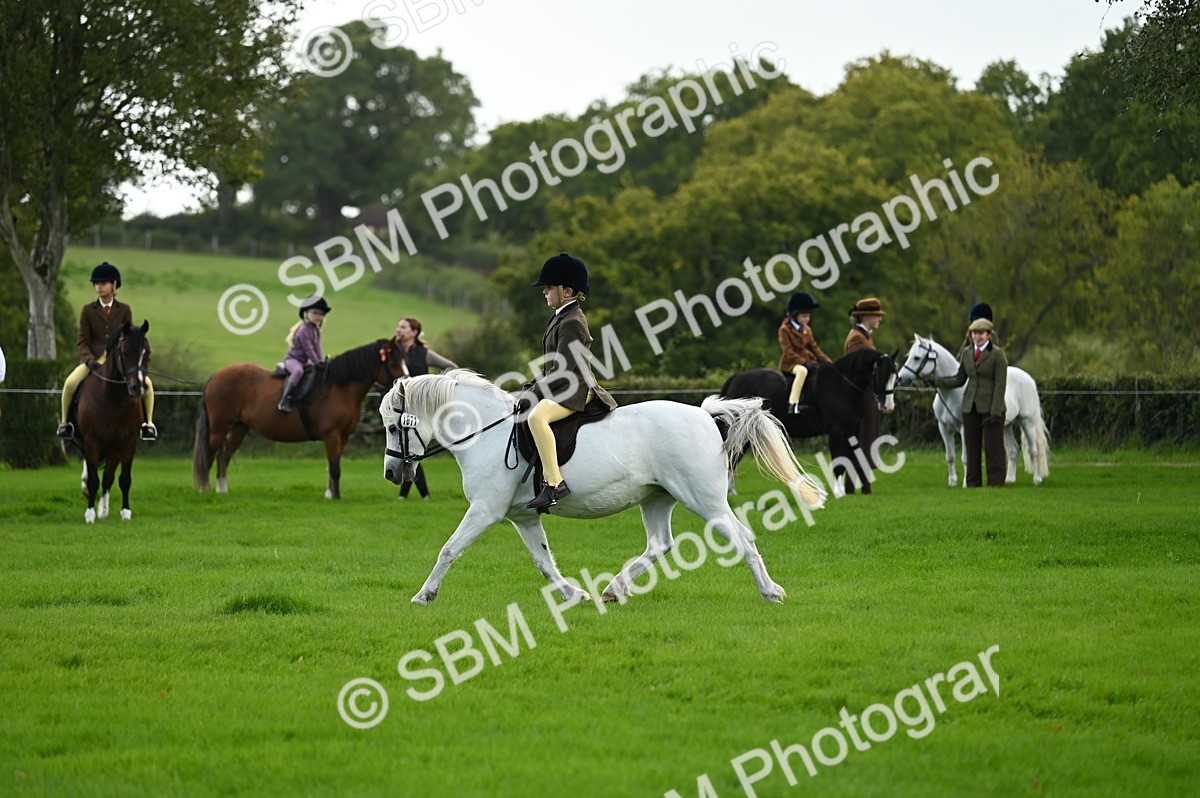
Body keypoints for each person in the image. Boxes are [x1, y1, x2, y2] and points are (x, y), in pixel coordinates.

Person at [524, 252, 617, 511]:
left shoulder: (573, 321)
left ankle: (554, 483)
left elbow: (561, 368)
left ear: (567, 291)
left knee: (536, 417)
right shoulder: (560, 316)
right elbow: (551, 365)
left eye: (549, 287)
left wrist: (533, 394)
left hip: (576, 388)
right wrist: (529, 386)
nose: (544, 292)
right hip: (565, 384)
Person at [57, 262, 157, 441]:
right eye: (96, 284)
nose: (98, 287)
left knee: (147, 385)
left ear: (114, 285)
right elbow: (82, 342)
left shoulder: (124, 309)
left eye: (103, 283)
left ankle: (147, 424)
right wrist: (89, 361)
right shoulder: (88, 310)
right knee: (70, 383)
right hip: (93, 361)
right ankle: (65, 423)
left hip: (118, 363)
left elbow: (129, 336)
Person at [935, 317, 1008, 487]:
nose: (977, 337)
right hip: (969, 406)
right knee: (971, 448)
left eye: (981, 333)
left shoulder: (997, 355)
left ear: (989, 335)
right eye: (975, 333)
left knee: (993, 449)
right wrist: (936, 381)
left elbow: (1000, 384)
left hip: (991, 408)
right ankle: (973, 482)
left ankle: (996, 483)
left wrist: (996, 411)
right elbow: (959, 379)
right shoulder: (967, 353)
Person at [395, 316, 458, 501]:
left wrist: (434, 386)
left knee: (411, 451)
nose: (398, 330)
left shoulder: (424, 353)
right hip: (399, 407)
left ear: (414, 332)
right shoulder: (394, 352)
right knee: (406, 451)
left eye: (403, 327)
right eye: (398, 326)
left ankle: (416, 496)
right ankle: (415, 496)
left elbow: (451, 367)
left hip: (418, 409)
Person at [843, 297, 887, 491]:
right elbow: (856, 370)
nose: (879, 319)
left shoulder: (865, 336)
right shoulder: (856, 338)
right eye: (877, 316)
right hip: (858, 398)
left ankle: (863, 485)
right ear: (866, 317)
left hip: (866, 395)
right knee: (859, 439)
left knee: (865, 439)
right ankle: (853, 486)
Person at [778, 292, 832, 413]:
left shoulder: (807, 329)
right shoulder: (784, 330)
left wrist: (828, 362)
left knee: (820, 371)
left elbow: (815, 348)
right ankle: (793, 404)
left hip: (806, 360)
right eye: (803, 316)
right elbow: (788, 351)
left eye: (808, 316)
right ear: (794, 315)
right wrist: (804, 362)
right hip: (791, 363)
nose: (806, 319)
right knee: (803, 371)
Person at [278, 295, 331, 412]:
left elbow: (317, 348)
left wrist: (321, 362)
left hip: (304, 362)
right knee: (298, 371)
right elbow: (309, 350)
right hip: (293, 360)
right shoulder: (303, 331)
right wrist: (317, 362)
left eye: (321, 314)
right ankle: (284, 399)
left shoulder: (316, 330)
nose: (318, 317)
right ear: (306, 313)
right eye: (315, 313)